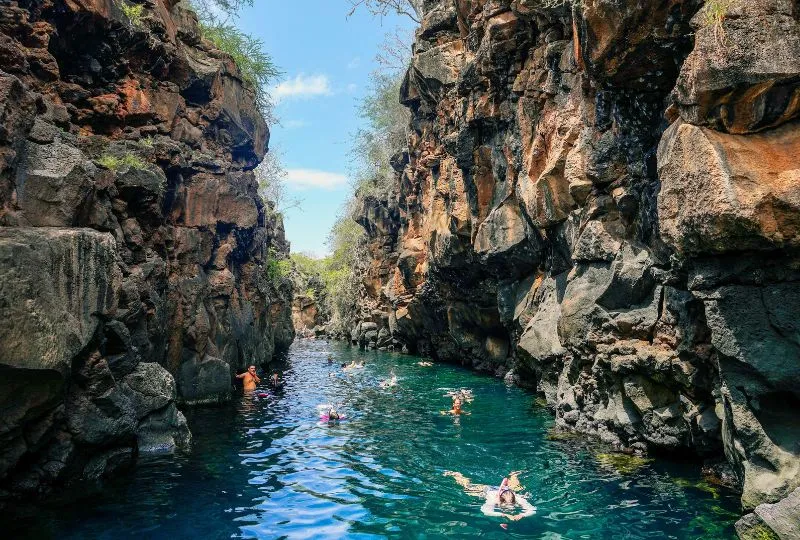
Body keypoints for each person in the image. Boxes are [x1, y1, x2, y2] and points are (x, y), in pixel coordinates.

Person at [444, 471, 535, 521]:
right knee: (467, 488)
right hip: (488, 489)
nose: (510, 508)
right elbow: (486, 511)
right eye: (508, 505)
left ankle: (514, 475)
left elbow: (532, 509)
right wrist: (504, 514)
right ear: (499, 500)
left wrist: (522, 515)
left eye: (511, 504)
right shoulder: (493, 499)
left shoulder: (518, 498)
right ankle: (457, 475)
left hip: (506, 490)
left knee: (516, 488)